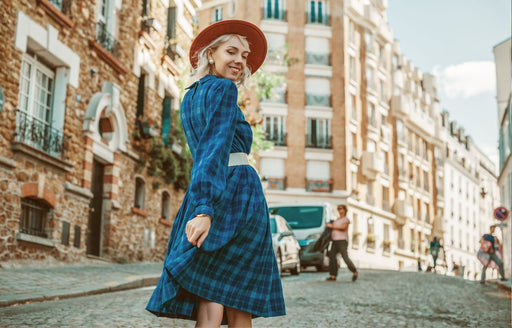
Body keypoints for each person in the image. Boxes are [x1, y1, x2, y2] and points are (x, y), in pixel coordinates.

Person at [146, 20, 285, 327]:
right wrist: (205, 209)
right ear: (210, 54)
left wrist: (201, 205)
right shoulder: (223, 89)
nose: (240, 60)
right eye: (231, 51)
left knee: (215, 288)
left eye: (244, 55)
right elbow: (214, 147)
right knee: (238, 297)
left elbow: (205, 153)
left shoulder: (190, 96)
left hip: (211, 189)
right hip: (236, 195)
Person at [325, 205, 358, 282]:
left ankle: (354, 271)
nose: (339, 210)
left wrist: (331, 226)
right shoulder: (336, 220)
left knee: (345, 257)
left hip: (342, 241)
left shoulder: (345, 220)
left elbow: (343, 228)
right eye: (338, 209)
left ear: (344, 210)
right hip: (334, 241)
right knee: (332, 257)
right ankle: (333, 275)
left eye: (341, 209)